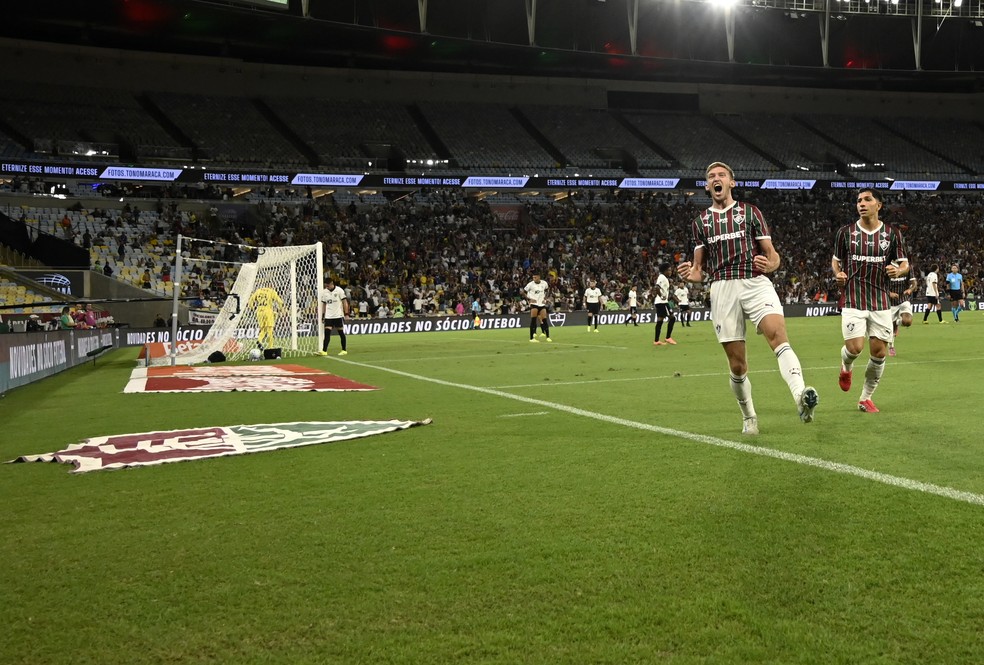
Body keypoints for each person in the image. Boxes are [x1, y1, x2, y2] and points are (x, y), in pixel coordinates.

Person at [678, 161, 818, 435]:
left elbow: (773, 255)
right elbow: (698, 270)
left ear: (731, 182)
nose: (716, 178)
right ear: (707, 186)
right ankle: (749, 416)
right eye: (711, 176)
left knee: (778, 336)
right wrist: (690, 275)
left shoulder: (751, 212)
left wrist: (771, 265)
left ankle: (800, 397)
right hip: (722, 287)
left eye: (721, 175)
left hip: (754, 281)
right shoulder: (700, 223)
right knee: (738, 364)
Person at [832, 188, 909, 413]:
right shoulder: (845, 232)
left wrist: (898, 271)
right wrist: (838, 274)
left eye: (867, 199)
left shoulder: (892, 234)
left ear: (879, 205)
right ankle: (846, 366)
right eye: (859, 201)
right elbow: (836, 261)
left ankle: (865, 398)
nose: (862, 204)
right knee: (854, 348)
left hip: (881, 301)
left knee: (879, 352)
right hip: (853, 298)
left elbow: (904, 264)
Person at [887, 267, 917, 357]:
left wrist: (910, 289)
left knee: (907, 322)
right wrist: (889, 293)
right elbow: (879, 285)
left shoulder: (907, 267)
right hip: (890, 303)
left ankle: (897, 322)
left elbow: (914, 283)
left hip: (904, 300)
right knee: (890, 329)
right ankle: (891, 347)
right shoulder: (887, 267)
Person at [246, 280, 284, 350]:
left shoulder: (258, 291)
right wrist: (281, 309)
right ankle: (271, 347)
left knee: (263, 329)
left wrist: (253, 308)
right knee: (270, 330)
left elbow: (250, 301)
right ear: (271, 285)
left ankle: (259, 340)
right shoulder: (271, 291)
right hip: (268, 311)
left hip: (259, 312)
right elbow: (280, 301)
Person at [319, 277, 350, 356]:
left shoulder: (339, 290)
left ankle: (344, 350)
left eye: (328, 285)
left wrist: (346, 314)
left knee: (341, 333)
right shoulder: (324, 292)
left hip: (338, 315)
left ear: (332, 283)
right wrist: (323, 315)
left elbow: (345, 302)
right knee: (327, 333)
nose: (327, 287)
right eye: (326, 286)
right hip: (328, 316)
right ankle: (324, 351)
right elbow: (324, 304)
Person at [652, 264, 677, 346]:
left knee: (660, 320)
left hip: (659, 302)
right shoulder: (662, 277)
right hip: (662, 302)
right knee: (672, 318)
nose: (670, 272)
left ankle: (656, 341)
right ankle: (668, 337)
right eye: (669, 270)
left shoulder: (663, 278)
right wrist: (661, 296)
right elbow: (656, 287)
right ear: (664, 271)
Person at [524, 272, 551, 342]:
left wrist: (545, 298)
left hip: (541, 304)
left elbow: (547, 290)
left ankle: (548, 337)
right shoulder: (530, 284)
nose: (534, 279)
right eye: (533, 277)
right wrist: (529, 299)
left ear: (539, 277)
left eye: (535, 277)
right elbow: (523, 292)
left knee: (544, 320)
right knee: (533, 320)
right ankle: (531, 338)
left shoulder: (544, 283)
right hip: (534, 304)